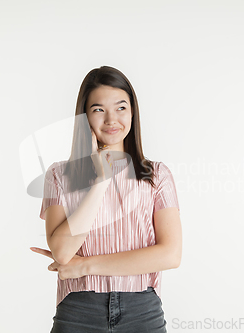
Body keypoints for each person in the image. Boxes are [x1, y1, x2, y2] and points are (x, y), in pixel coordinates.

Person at [30, 65, 182, 333]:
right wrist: (100, 181)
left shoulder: (157, 175)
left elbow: (170, 254)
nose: (112, 120)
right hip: (78, 311)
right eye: (99, 109)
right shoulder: (60, 175)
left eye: (121, 108)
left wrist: (85, 266)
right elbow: (63, 253)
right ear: (84, 117)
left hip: (142, 311)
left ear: (132, 112)